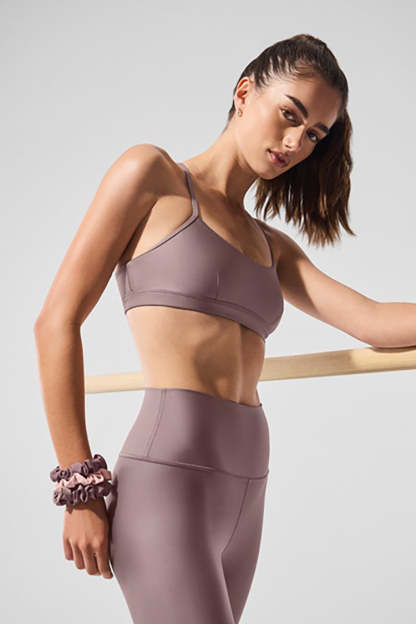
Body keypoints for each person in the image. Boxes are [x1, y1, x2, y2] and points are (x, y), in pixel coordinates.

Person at [34, 33, 392, 623]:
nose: (296, 143)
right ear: (244, 92)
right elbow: (56, 322)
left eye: (314, 135)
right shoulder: (152, 177)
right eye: (290, 115)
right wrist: (81, 489)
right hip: (169, 481)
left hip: (248, 491)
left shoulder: (272, 247)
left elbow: (374, 321)